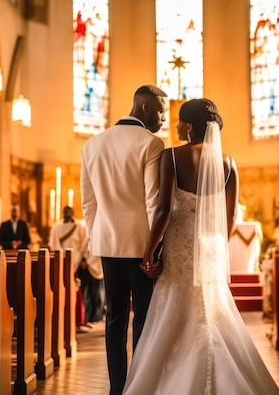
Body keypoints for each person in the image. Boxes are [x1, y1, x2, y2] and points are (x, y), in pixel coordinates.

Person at [123, 98, 279, 395]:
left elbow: (162, 211)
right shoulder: (229, 162)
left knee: (176, 310)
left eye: (180, 122)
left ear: (191, 127)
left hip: (179, 248)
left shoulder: (171, 156)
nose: (176, 126)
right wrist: (216, 245)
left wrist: (149, 252)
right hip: (210, 249)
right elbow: (231, 216)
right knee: (211, 309)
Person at [80, 84, 168, 395]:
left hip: (107, 242)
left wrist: (99, 235)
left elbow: (88, 204)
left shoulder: (92, 144)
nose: (162, 119)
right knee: (144, 314)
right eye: (160, 112)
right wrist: (153, 250)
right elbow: (152, 201)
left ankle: (117, 388)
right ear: (145, 108)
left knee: (114, 316)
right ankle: (140, 386)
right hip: (141, 245)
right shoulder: (151, 143)